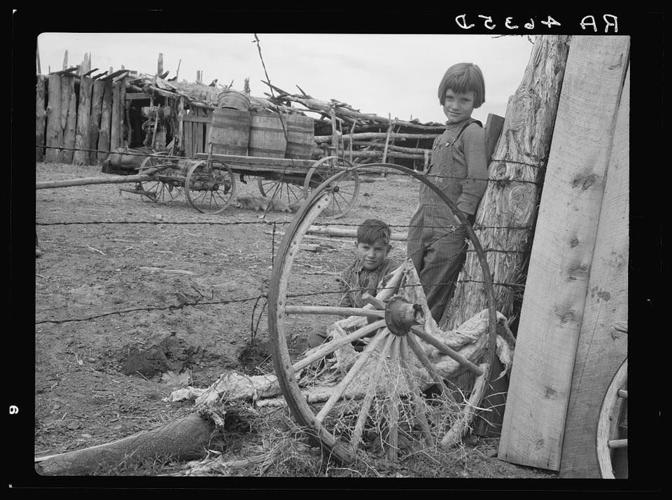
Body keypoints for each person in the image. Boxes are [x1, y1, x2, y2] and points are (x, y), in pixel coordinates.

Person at [407, 62, 488, 323]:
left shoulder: (472, 132)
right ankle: (403, 323)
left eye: (464, 100)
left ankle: (419, 335)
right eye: (450, 98)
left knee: (433, 286)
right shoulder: (443, 135)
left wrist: (461, 215)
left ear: (476, 101)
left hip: (449, 225)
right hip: (424, 218)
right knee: (411, 275)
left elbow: (477, 178)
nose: (455, 105)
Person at [307, 219, 397, 349]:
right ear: (356, 246)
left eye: (378, 249)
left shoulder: (392, 272)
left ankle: (355, 352)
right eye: (366, 248)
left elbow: (388, 311)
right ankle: (351, 352)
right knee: (316, 337)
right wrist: (344, 328)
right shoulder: (348, 274)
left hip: (380, 333)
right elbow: (344, 309)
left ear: (387, 250)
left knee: (375, 346)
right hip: (353, 329)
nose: (371, 255)